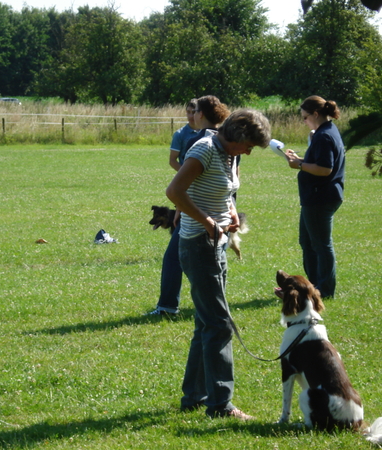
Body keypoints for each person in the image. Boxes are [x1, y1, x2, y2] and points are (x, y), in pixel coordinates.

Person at [166, 109, 271, 419]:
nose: (249, 152)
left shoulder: (228, 154)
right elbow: (175, 192)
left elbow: (222, 188)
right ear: (237, 134)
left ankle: (194, 397)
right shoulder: (205, 149)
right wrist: (209, 222)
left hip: (217, 243)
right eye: (249, 145)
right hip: (200, 245)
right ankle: (220, 405)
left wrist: (231, 211)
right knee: (219, 324)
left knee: (206, 323)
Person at [147, 96, 229, 316]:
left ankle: (168, 307)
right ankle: (216, 307)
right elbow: (231, 179)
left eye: (194, 111)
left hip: (200, 212)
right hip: (221, 211)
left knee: (176, 258)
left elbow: (187, 185)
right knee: (215, 262)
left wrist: (180, 209)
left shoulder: (201, 142)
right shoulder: (227, 139)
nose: (191, 114)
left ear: (200, 114)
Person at [283, 96, 346, 299]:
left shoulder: (324, 136)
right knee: (308, 242)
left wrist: (299, 165)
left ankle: (324, 290)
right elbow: (318, 162)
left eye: (305, 117)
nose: (303, 121)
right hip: (316, 198)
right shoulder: (325, 132)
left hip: (321, 198)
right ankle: (312, 285)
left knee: (320, 244)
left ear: (316, 114)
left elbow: (325, 169)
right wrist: (298, 159)